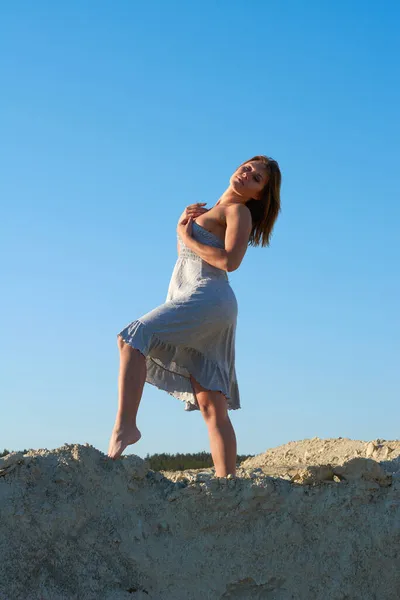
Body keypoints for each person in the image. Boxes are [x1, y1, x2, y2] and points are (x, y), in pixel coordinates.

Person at [108, 155, 281, 476]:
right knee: (211, 404)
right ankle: (227, 482)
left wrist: (186, 235)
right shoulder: (208, 210)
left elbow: (230, 261)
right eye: (247, 167)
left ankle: (125, 426)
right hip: (195, 296)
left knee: (132, 336)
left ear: (258, 194)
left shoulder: (238, 211)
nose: (247, 174)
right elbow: (188, 261)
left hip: (210, 297)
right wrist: (182, 228)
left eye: (257, 178)